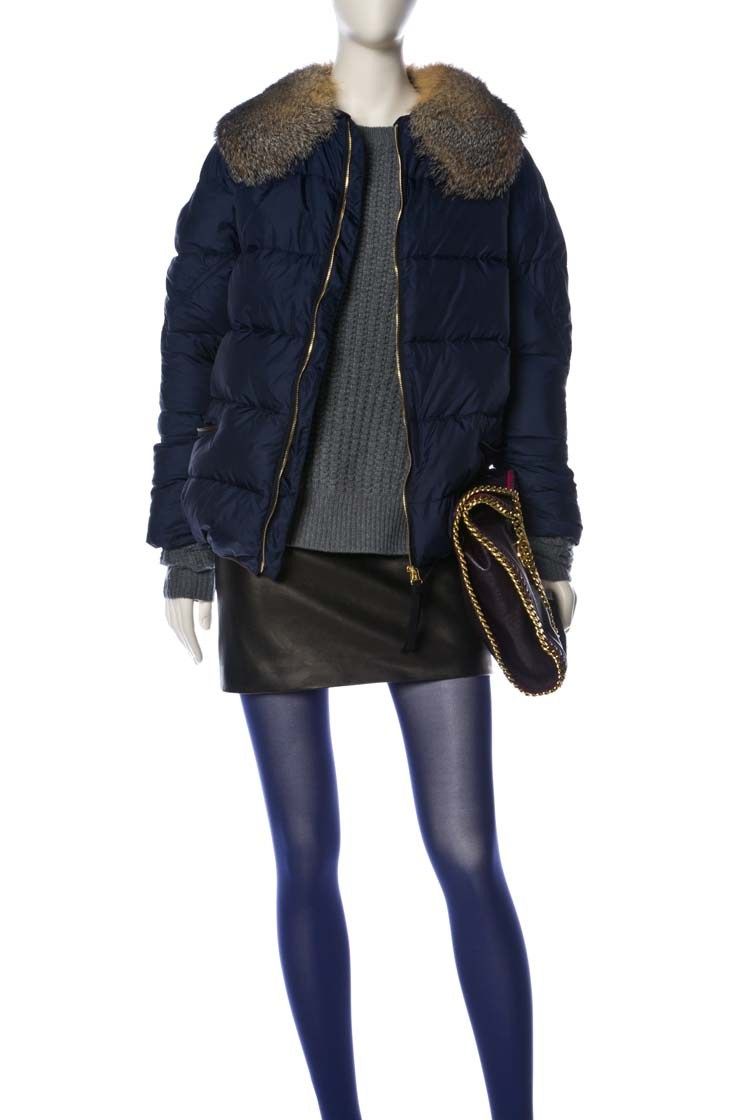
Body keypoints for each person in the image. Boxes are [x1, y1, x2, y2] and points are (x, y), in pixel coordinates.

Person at [146, 4, 582, 1116]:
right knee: (304, 854)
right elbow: (191, 349)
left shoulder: (492, 164)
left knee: (467, 853)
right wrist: (185, 547)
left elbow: (538, 359)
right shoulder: (251, 154)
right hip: (275, 554)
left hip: (433, 557)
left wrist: (549, 538)